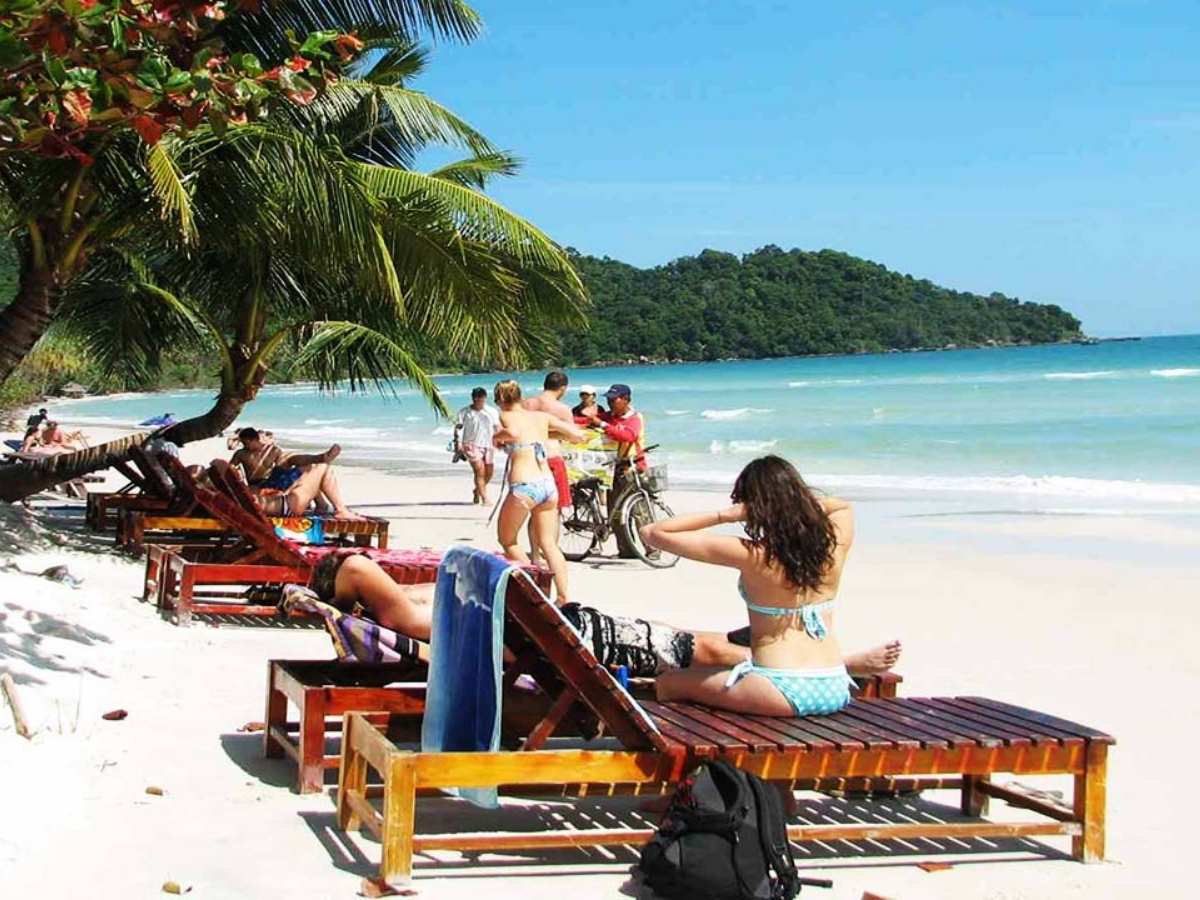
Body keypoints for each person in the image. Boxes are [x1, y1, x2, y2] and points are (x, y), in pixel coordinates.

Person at [310, 552, 900, 680]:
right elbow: (366, 574)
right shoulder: (404, 620)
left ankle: (793, 652)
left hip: (571, 632)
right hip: (569, 645)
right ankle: (839, 665)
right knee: (704, 651)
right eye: (355, 571)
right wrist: (346, 571)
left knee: (700, 640)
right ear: (356, 589)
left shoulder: (406, 611)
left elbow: (412, 589)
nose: (365, 565)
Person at [641, 455, 902, 717]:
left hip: (779, 688)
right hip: (835, 684)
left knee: (671, 682)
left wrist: (725, 515)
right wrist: (795, 505)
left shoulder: (753, 554)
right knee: (715, 667)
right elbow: (842, 507)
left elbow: (653, 533)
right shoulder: (832, 549)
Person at [493, 379, 586, 603]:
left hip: (525, 486)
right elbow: (576, 434)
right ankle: (563, 596)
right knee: (549, 544)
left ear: (501, 399)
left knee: (508, 541)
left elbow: (513, 432)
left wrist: (496, 438)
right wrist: (546, 436)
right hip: (547, 485)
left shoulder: (506, 416)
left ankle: (535, 590)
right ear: (520, 396)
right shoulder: (540, 417)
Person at [229, 427, 357, 518]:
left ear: (254, 440)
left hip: (273, 480)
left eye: (246, 443)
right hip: (257, 485)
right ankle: (320, 460)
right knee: (300, 466)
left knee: (289, 459)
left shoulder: (272, 450)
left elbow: (282, 468)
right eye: (243, 443)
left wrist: (289, 479)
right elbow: (230, 469)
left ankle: (320, 458)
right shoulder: (241, 454)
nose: (245, 446)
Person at [584, 383, 649, 558]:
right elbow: (588, 421)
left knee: (639, 511)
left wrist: (602, 424)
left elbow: (627, 436)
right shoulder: (608, 416)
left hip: (632, 468)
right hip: (612, 469)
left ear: (626, 400)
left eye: (614, 400)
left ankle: (652, 549)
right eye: (609, 400)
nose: (610, 403)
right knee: (615, 512)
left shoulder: (634, 418)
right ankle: (626, 550)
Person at [521, 370, 575, 554]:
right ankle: (551, 551)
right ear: (563, 388)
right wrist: (552, 432)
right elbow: (572, 435)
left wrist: (538, 431)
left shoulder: (527, 404)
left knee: (535, 509)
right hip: (552, 457)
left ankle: (535, 554)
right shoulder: (562, 409)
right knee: (554, 509)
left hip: (530, 459)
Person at [453, 387, 501, 504]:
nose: (477, 400)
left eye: (480, 398)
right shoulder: (464, 412)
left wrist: (501, 441)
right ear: (472, 398)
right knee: (479, 470)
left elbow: (497, 427)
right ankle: (485, 498)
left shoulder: (491, 412)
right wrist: (458, 443)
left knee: (489, 472)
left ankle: (477, 490)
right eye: (475, 398)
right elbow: (458, 428)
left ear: (485, 398)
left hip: (488, 445)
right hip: (470, 445)